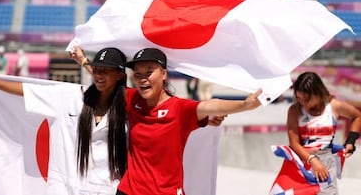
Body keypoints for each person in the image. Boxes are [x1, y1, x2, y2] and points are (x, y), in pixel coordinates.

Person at [0, 47, 129, 195]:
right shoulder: (70, 96)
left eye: (105, 71)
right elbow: (27, 90)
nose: (99, 75)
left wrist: (84, 62)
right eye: (96, 70)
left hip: (107, 188)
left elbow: (122, 91)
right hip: (65, 186)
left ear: (119, 75)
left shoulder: (130, 107)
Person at [111, 47, 262, 195]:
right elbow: (105, 83)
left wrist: (244, 105)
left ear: (164, 74)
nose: (142, 79)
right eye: (137, 74)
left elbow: (210, 105)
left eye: (149, 72)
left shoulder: (179, 108)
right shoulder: (132, 99)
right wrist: (86, 63)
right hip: (128, 191)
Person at [286, 71, 361, 194]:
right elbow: (294, 143)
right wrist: (313, 160)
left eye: (306, 99)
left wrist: (350, 141)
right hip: (303, 162)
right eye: (299, 98)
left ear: (318, 93)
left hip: (327, 163)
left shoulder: (333, 106)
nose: (303, 103)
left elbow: (357, 116)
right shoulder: (294, 110)